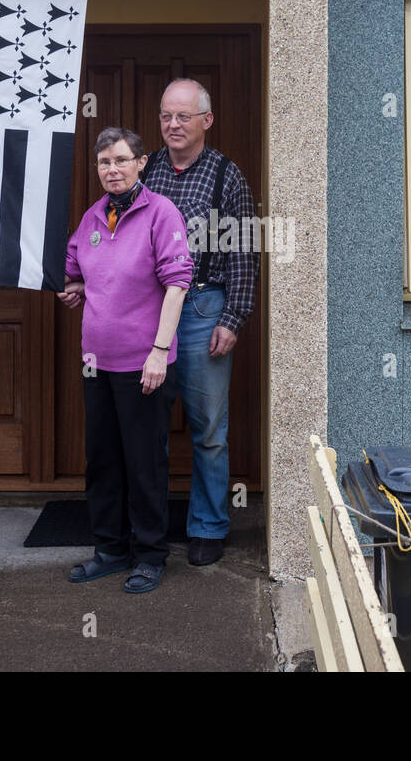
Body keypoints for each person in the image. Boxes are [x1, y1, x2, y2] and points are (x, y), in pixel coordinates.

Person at [0, 126, 192, 594]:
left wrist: (157, 352)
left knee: (144, 462)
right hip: (97, 364)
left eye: (121, 160)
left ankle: (150, 555)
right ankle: (110, 549)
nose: (112, 169)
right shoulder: (92, 218)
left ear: (141, 162)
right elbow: (58, 274)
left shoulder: (161, 213)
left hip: (143, 365)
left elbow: (177, 284)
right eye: (104, 162)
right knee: (103, 460)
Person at [142, 78, 257, 566]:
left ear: (206, 121)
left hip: (204, 307)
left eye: (183, 116)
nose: (172, 125)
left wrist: (232, 318)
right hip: (148, 309)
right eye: (167, 115)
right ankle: (148, 527)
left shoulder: (227, 177)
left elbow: (245, 254)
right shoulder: (144, 171)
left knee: (208, 428)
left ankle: (208, 526)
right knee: (147, 425)